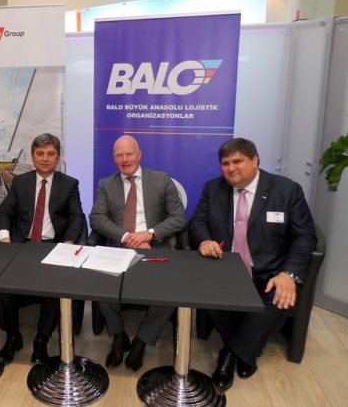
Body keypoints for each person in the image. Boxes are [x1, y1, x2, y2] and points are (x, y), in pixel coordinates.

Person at [188, 137, 316, 391]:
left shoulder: (286, 189)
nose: (230, 168)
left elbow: (305, 236)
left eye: (237, 161)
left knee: (279, 299)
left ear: (255, 160)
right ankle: (247, 351)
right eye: (225, 163)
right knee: (207, 291)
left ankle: (230, 354)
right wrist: (204, 241)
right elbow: (197, 222)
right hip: (227, 269)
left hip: (272, 273)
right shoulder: (213, 188)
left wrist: (289, 274)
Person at [89, 135, 187, 372]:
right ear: (114, 159)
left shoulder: (162, 180)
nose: (124, 159)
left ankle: (142, 340)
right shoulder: (106, 184)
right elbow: (97, 218)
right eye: (119, 155)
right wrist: (126, 237)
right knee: (99, 281)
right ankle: (119, 336)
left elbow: (179, 218)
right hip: (119, 246)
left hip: (154, 247)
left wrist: (149, 234)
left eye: (129, 154)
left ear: (139, 155)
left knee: (171, 287)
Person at [0, 133, 85, 364]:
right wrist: (5, 240)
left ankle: (42, 340)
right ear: (33, 157)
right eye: (40, 153)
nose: (45, 159)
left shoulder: (69, 184)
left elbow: (77, 217)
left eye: (50, 154)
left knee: (56, 284)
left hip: (53, 246)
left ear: (58, 157)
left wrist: (68, 242)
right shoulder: (20, 182)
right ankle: (13, 337)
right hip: (21, 245)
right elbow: (4, 212)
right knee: (1, 283)